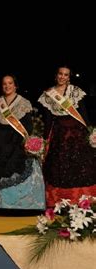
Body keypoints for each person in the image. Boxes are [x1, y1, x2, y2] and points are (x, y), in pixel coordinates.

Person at [0, 75, 45, 209]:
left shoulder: (23, 102)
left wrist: (23, 142)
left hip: (16, 140)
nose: (7, 86)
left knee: (15, 163)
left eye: (10, 83)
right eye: (4, 84)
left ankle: (19, 205)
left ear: (15, 85)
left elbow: (27, 125)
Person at [38, 66, 96, 206]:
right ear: (56, 75)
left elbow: (83, 114)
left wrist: (91, 132)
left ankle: (82, 199)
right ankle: (60, 200)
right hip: (59, 133)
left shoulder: (75, 91)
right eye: (60, 74)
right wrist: (45, 140)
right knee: (58, 167)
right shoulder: (48, 95)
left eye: (66, 75)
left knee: (81, 165)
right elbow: (48, 120)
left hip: (77, 132)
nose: (62, 77)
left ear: (69, 77)